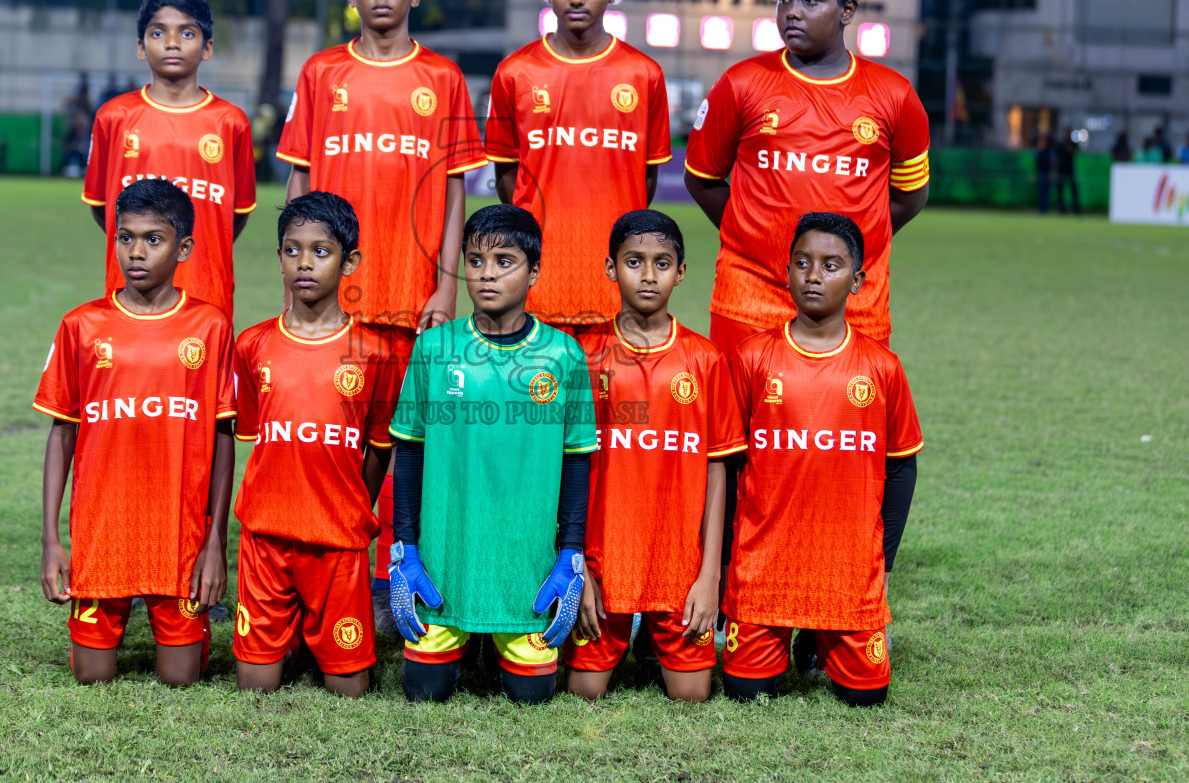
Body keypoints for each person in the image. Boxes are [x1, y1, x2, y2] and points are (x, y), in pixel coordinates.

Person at [275, 0, 487, 615]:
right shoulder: (321, 74)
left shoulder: (443, 79)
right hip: (332, 302)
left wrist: (447, 282)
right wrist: (292, 279)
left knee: (403, 450)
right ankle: (327, 567)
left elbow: (457, 189)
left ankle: (396, 575)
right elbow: (299, 182)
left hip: (408, 297)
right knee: (329, 440)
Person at [387, 204, 597, 705]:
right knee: (423, 693)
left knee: (532, 698)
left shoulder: (564, 354)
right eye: (476, 260)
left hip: (526, 572)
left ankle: (502, 638)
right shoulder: (435, 348)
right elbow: (410, 450)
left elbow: (576, 459)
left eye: (505, 261)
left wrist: (570, 552)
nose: (487, 273)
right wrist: (404, 548)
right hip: (442, 569)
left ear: (535, 272)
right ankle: (461, 638)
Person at [35, 179, 238, 686]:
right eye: (125, 238)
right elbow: (62, 432)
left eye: (154, 239)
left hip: (180, 539)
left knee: (180, 679)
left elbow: (222, 438)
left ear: (184, 247)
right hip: (103, 533)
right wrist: (50, 538)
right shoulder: (81, 325)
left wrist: (215, 542)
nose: (136, 252)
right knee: (91, 676)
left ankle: (192, 633)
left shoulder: (210, 326)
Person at [683, 0, 929, 355]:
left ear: (847, 10)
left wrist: (853, 248)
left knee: (839, 419)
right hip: (750, 298)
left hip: (852, 304)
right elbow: (702, 179)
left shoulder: (895, 95)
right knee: (739, 421)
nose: (791, 11)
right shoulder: (741, 83)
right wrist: (753, 238)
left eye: (810, 0)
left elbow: (910, 195)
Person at [721, 212, 923, 708]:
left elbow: (900, 468)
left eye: (831, 265)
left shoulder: (882, 367)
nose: (813, 275)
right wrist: (729, 558)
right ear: (785, 271)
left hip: (849, 573)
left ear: (857, 281)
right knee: (745, 694)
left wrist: (885, 562)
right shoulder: (752, 358)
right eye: (802, 263)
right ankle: (776, 633)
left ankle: (824, 636)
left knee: (866, 698)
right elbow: (727, 467)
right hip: (763, 571)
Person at [565, 211, 746, 703]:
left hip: (680, 571)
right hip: (602, 570)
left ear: (681, 271)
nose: (648, 275)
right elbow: (566, 472)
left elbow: (717, 472)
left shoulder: (704, 359)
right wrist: (576, 571)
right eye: (634, 262)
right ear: (610, 268)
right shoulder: (584, 353)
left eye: (662, 263)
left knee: (692, 697)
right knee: (585, 692)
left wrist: (710, 578)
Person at [230, 191, 405, 697]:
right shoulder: (253, 344)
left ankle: (319, 634)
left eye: (321, 252)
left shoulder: (375, 352)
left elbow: (379, 448)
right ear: (280, 256)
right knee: (254, 685)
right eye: (292, 250)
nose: (304, 263)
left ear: (349, 261)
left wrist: (354, 506)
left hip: (338, 539)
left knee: (348, 689)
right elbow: (256, 436)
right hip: (266, 535)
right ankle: (284, 635)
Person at [484, 0, 673, 327]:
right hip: (538, 278)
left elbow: (646, 181)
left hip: (616, 280)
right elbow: (507, 178)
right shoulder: (514, 73)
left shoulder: (645, 75)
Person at [82, 0, 257, 320]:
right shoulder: (113, 117)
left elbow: (236, 215)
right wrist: (146, 248)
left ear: (207, 48)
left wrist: (200, 247)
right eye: (158, 32)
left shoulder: (230, 122)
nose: (172, 42)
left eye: (187, 32)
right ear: (140, 46)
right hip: (130, 293)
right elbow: (102, 209)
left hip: (207, 292)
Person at [1054, 129, 1081, 214]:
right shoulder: (1060, 144)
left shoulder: (1072, 143)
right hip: (1061, 170)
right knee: (1060, 190)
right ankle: (1061, 208)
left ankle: (1075, 209)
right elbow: (1056, 156)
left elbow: (1075, 150)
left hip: (1070, 169)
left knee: (1074, 189)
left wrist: (1070, 145)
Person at [1034, 135, 1053, 215]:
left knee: (1046, 193)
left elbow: (1052, 163)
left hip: (1047, 174)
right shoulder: (1041, 153)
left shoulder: (1048, 153)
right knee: (1042, 193)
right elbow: (1037, 164)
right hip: (1042, 174)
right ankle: (1042, 209)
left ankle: (1045, 208)